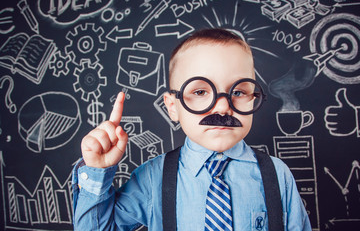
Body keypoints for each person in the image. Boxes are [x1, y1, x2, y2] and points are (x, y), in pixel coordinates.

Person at [72, 28, 311, 230]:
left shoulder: (277, 175)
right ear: (173, 107)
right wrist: (96, 173)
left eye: (238, 92)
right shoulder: (153, 178)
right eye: (200, 92)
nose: (222, 107)